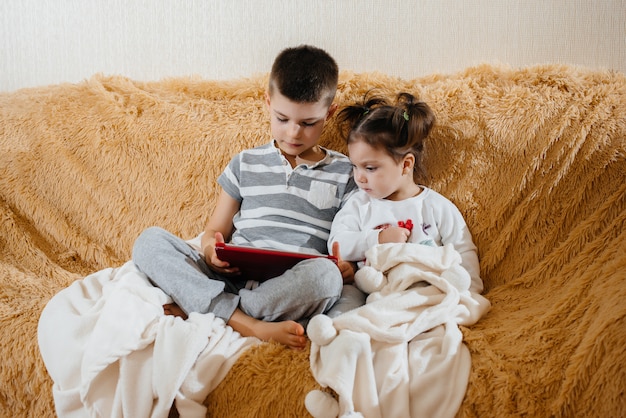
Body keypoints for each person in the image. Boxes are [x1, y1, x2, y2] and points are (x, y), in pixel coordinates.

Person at [132, 45, 359, 350]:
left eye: (308, 123)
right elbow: (216, 229)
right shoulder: (245, 162)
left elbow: (352, 239)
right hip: (230, 276)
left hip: (288, 286)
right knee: (149, 241)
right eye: (282, 118)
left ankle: (209, 310)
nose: (293, 133)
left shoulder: (346, 172)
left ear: (328, 113)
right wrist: (212, 248)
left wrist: (349, 267)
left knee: (325, 279)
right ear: (267, 103)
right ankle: (248, 323)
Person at [329, 92, 484, 294]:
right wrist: (379, 238)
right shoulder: (359, 204)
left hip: (428, 291)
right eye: (355, 166)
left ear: (406, 164)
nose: (359, 177)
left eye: (370, 168)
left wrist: (469, 292)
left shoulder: (436, 207)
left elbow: (463, 249)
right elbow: (337, 244)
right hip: (375, 294)